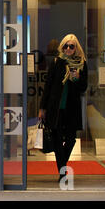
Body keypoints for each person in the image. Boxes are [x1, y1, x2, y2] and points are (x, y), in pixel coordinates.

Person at [39, 34, 88, 182]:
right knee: (57, 138)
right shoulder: (56, 62)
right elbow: (48, 86)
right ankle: (62, 172)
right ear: (62, 47)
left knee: (71, 139)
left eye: (71, 46)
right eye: (65, 45)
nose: (68, 48)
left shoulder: (82, 63)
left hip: (72, 108)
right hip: (56, 107)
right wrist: (42, 108)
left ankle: (62, 164)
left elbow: (83, 88)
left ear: (76, 48)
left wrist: (77, 78)